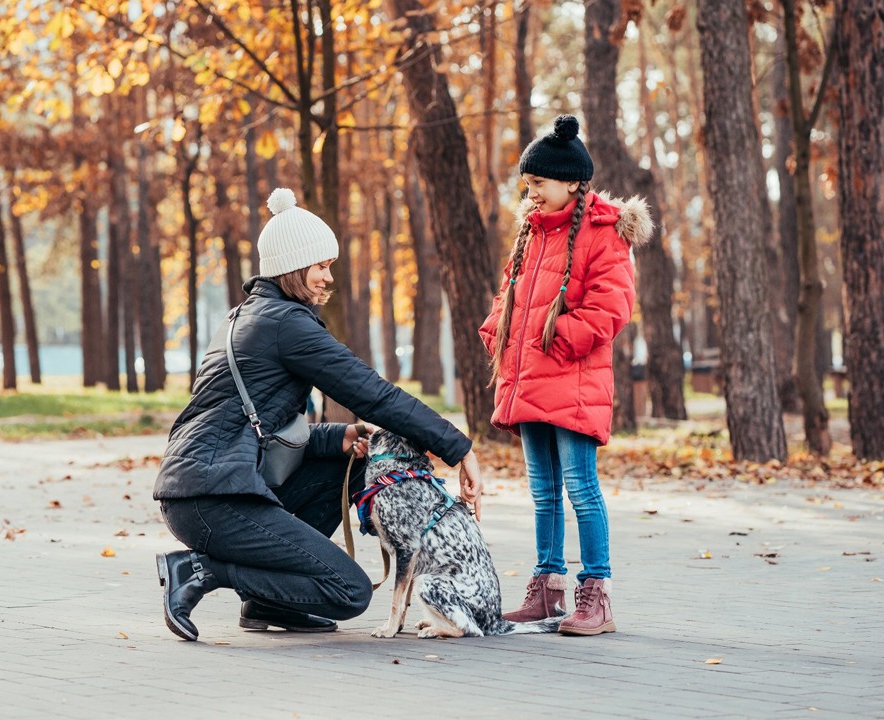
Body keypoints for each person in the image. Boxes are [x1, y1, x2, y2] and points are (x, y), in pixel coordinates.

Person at [154, 187, 483, 641]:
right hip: (214, 499)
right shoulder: (286, 324)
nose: (329, 278)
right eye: (322, 266)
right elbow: (372, 393)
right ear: (293, 266)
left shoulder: (247, 315)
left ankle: (270, 602)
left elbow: (252, 421)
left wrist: (335, 437)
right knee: (347, 590)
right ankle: (198, 570)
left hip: (207, 489)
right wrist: (457, 445)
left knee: (349, 464)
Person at [479, 115, 652, 636]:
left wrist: (562, 336)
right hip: (529, 377)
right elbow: (511, 294)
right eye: (527, 185)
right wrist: (497, 331)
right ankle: (547, 587)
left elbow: (613, 305)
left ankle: (596, 594)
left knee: (580, 486)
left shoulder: (603, 233)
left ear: (572, 182)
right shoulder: (532, 233)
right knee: (542, 492)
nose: (530, 194)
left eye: (539, 184)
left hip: (572, 380)